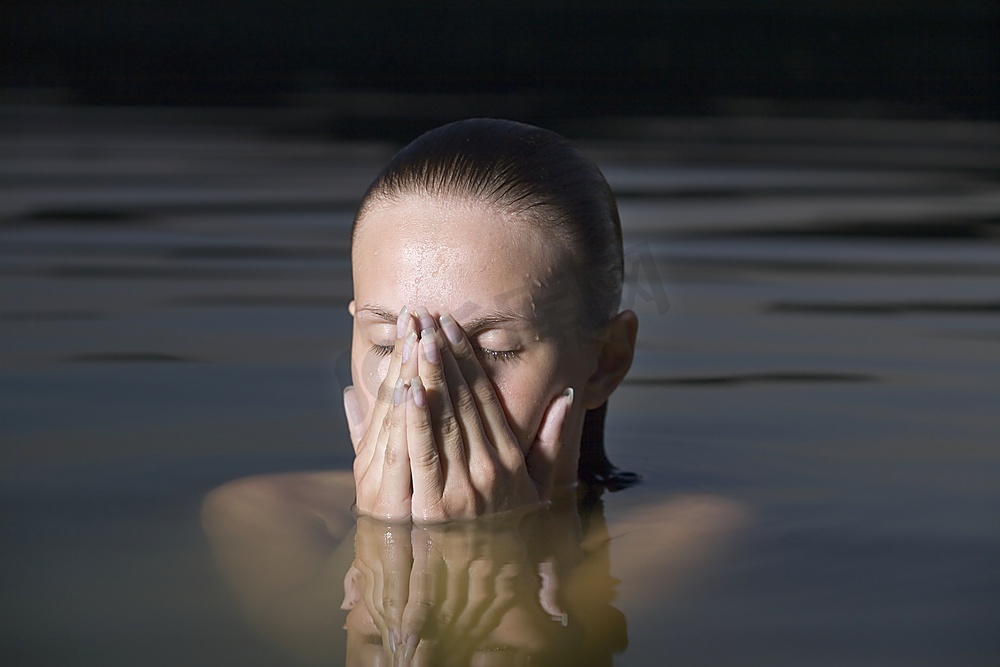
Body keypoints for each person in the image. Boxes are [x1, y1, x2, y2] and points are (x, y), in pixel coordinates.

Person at [202, 119, 748, 665]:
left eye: (493, 349)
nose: (427, 386)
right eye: (391, 341)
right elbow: (304, 638)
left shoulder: (686, 530)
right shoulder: (265, 510)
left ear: (607, 361)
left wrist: (491, 534)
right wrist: (381, 530)